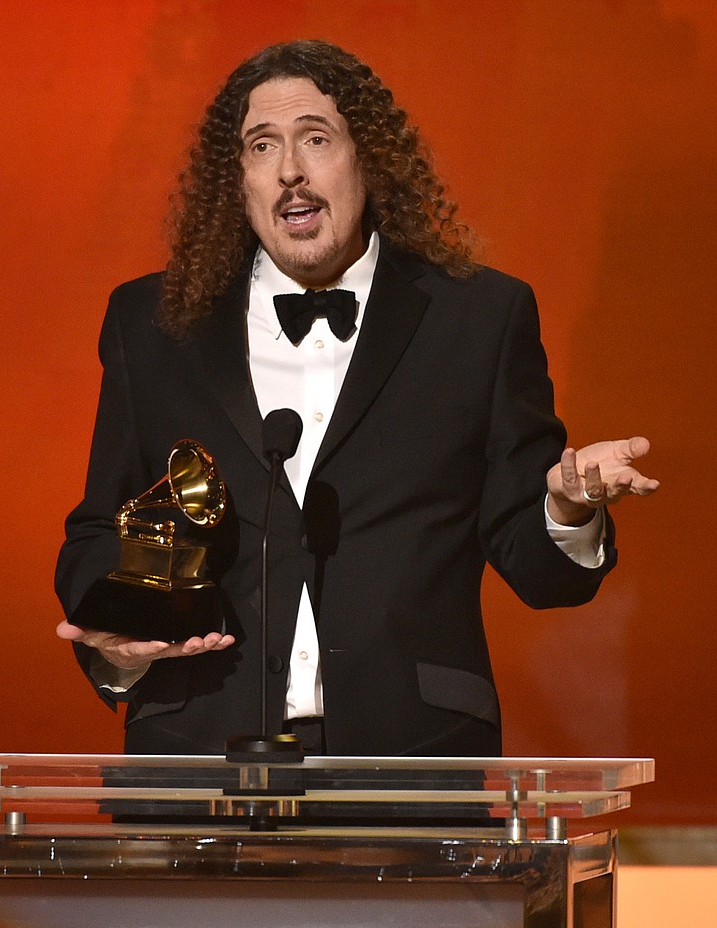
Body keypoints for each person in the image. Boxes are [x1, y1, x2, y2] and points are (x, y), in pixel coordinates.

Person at [55, 40, 658, 758]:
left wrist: (565, 508)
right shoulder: (151, 324)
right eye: (261, 146)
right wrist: (119, 639)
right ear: (237, 181)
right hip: (199, 759)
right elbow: (98, 533)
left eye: (316, 138)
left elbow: (536, 567)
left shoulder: (479, 318)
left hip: (413, 761)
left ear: (368, 160)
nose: (290, 171)